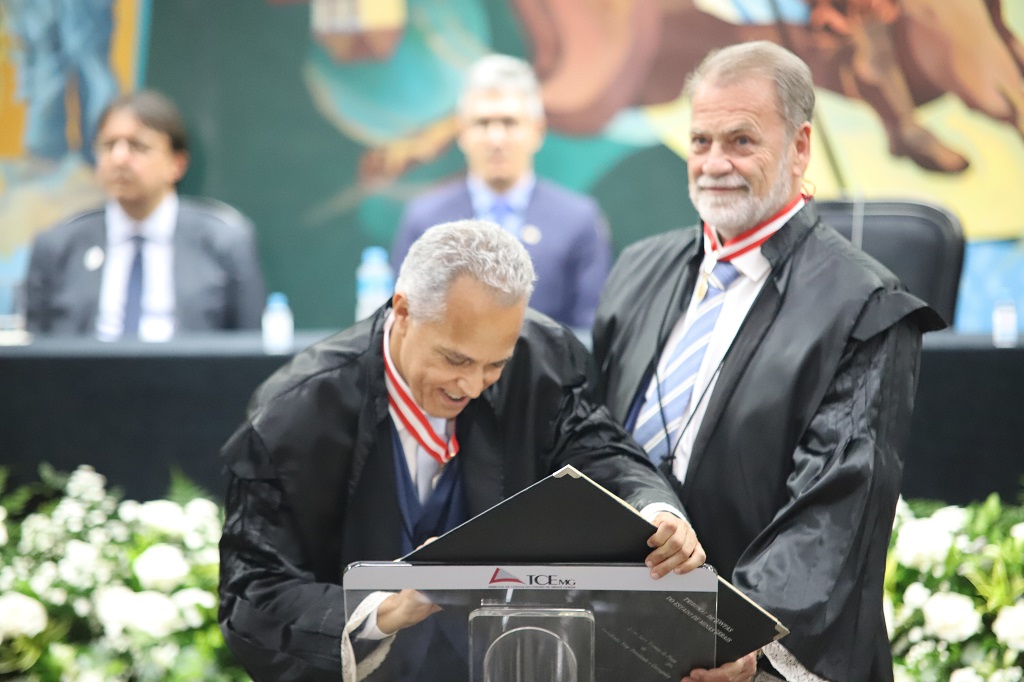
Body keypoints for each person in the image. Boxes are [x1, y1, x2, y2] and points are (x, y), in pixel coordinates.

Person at [591, 41, 945, 682]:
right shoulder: (636, 270)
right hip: (621, 642)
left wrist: (737, 635)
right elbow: (591, 440)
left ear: (800, 147)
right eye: (700, 141)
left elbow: (834, 512)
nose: (714, 164)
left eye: (741, 141)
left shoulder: (866, 307)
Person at [219, 219, 704, 682]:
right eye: (455, 359)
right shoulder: (293, 413)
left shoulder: (544, 359)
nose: (471, 385)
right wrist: (385, 608)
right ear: (403, 311)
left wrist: (653, 510)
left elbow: (599, 448)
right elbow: (253, 591)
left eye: (496, 364)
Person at [390, 54, 611, 330]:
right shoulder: (426, 219)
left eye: (509, 122)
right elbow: (402, 325)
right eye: (483, 123)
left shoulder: (578, 220)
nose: (496, 139)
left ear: (537, 130)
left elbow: (589, 330)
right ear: (462, 133)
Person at [24, 90, 265, 340]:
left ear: (177, 164)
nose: (119, 159)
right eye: (108, 146)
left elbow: (248, 348)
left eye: (138, 146)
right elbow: (39, 354)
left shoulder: (225, 242)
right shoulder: (57, 245)